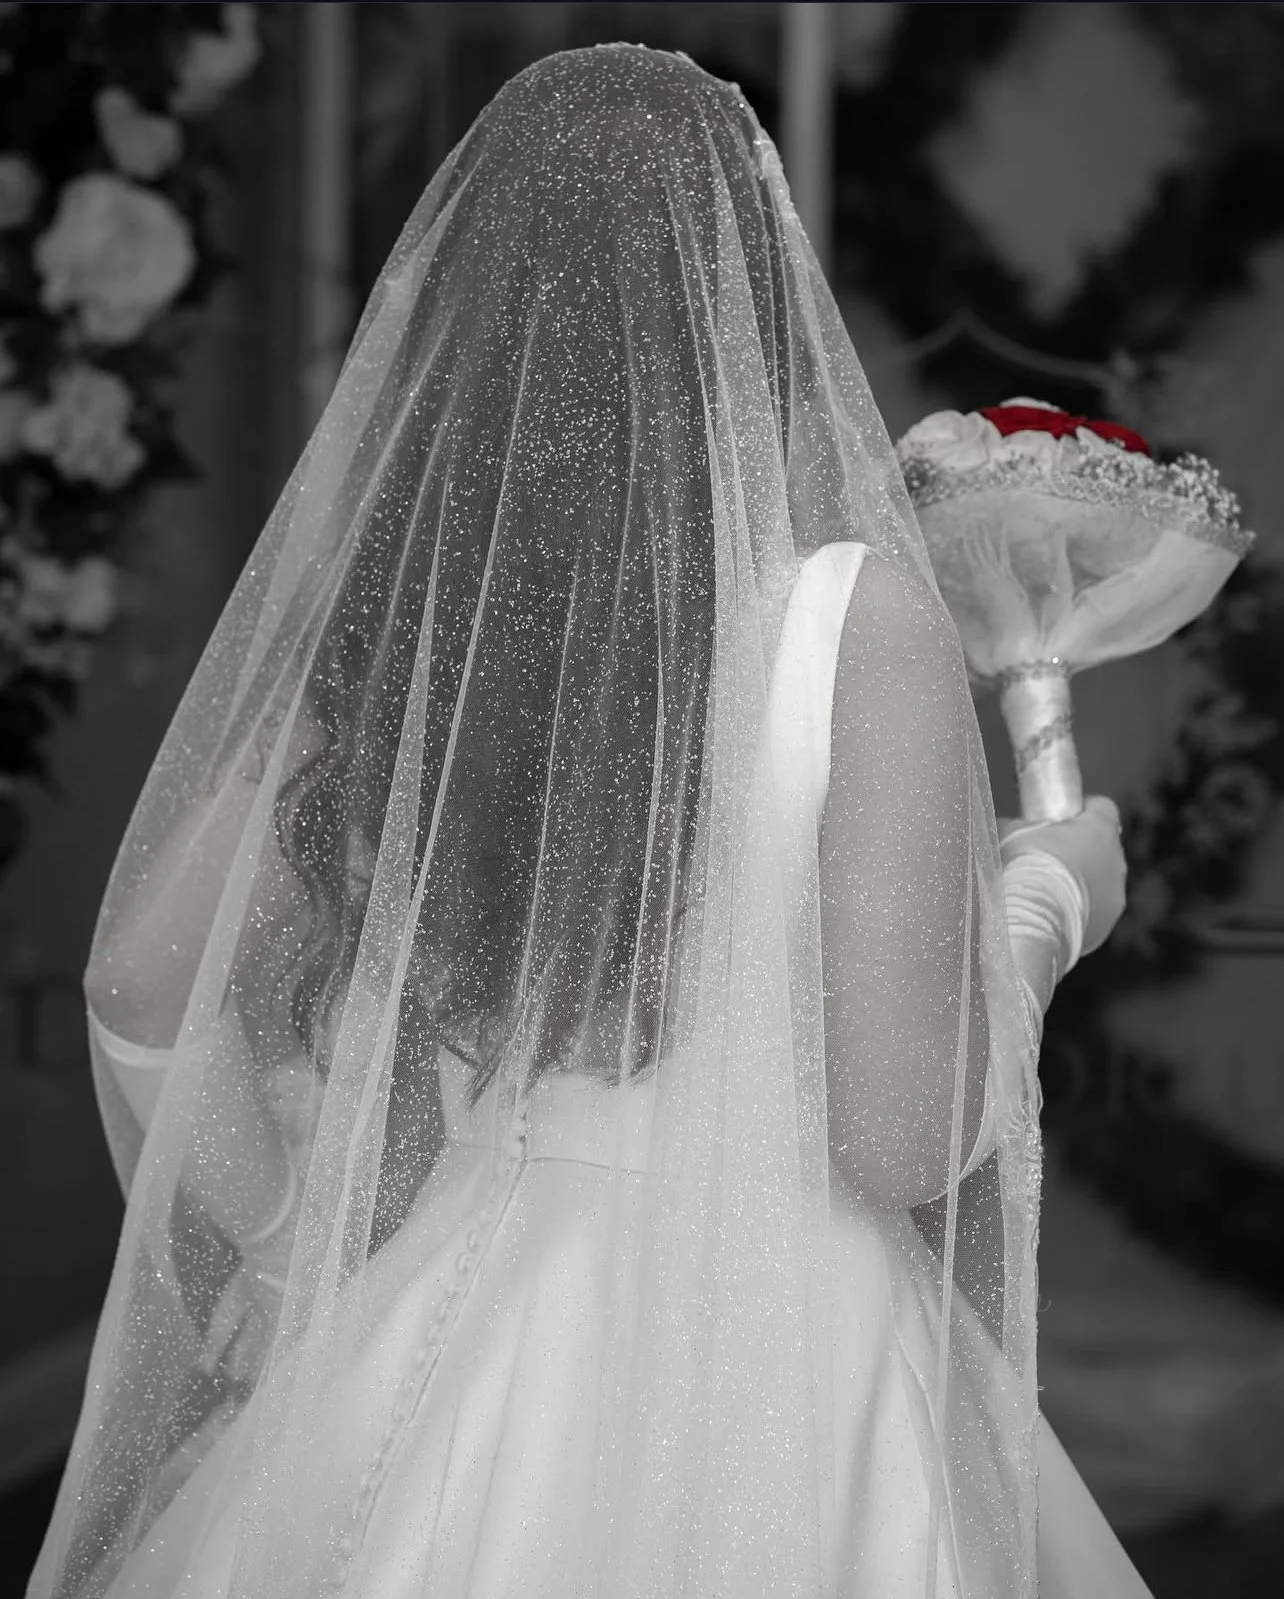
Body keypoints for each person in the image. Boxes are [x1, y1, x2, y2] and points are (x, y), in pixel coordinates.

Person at [29, 44, 1154, 1599]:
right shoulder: (848, 625)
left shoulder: (416, 631)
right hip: (787, 1360)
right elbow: (898, 1133)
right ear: (750, 302)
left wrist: (299, 1250)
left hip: (463, 1327)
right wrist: (1051, 899)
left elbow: (139, 984)